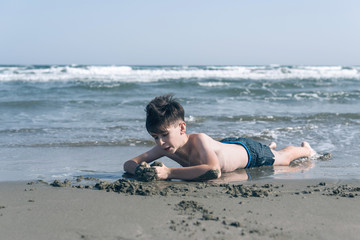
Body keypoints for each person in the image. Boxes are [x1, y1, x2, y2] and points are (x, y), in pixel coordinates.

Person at [123, 94, 316, 180]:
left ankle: (306, 149)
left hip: (251, 153)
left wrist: (168, 173)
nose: (160, 142)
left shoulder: (199, 140)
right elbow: (129, 163)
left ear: (182, 127)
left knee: (283, 159)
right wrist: (140, 170)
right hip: (226, 147)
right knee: (265, 151)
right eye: (155, 137)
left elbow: (213, 171)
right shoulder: (165, 147)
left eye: (164, 135)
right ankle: (270, 147)